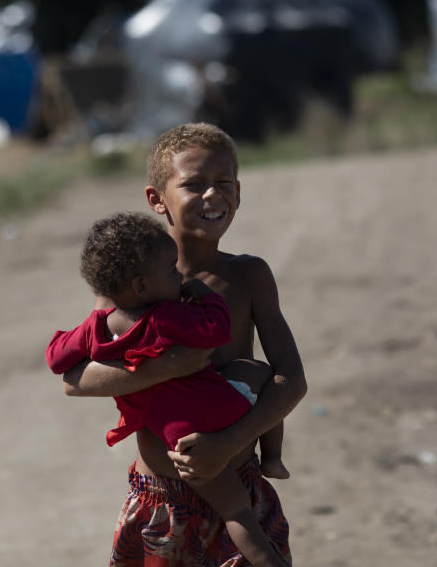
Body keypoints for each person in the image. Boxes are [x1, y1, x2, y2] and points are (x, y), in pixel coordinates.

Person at [61, 122, 306, 566]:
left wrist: (229, 443)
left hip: (238, 483)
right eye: (194, 184)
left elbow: (291, 380)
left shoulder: (248, 276)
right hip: (160, 504)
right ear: (157, 199)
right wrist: (168, 366)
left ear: (239, 191)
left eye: (224, 183)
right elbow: (75, 380)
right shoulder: (130, 285)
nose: (213, 195)